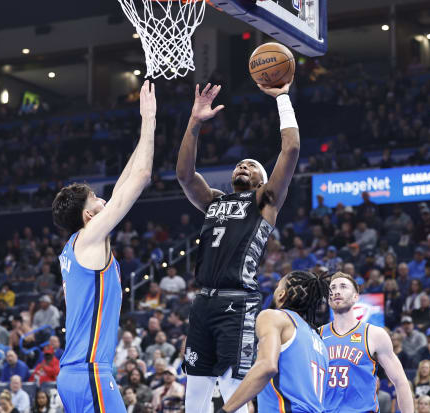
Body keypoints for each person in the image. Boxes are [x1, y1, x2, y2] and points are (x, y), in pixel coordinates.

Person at [176, 80, 300, 413]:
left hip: (237, 303)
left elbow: (290, 150)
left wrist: (283, 98)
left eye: (251, 165)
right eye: (238, 164)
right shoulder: (214, 201)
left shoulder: (265, 201)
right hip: (203, 302)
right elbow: (185, 175)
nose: (242, 165)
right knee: (195, 396)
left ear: (262, 179)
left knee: (235, 390)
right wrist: (194, 123)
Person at [52, 80, 156, 412]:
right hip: (90, 372)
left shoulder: (73, 247)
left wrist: (142, 138)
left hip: (72, 375)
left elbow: (125, 179)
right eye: (97, 198)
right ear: (88, 214)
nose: (105, 199)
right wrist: (150, 119)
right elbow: (140, 178)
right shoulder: (92, 236)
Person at [219, 270, 330, 412]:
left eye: (278, 286)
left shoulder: (274, 317)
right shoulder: (319, 340)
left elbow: (267, 366)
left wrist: (225, 410)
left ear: (281, 294)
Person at [319, 272, 413, 413]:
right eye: (332, 288)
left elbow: (400, 382)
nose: (337, 291)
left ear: (356, 296)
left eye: (343, 286)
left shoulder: (374, 334)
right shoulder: (316, 335)